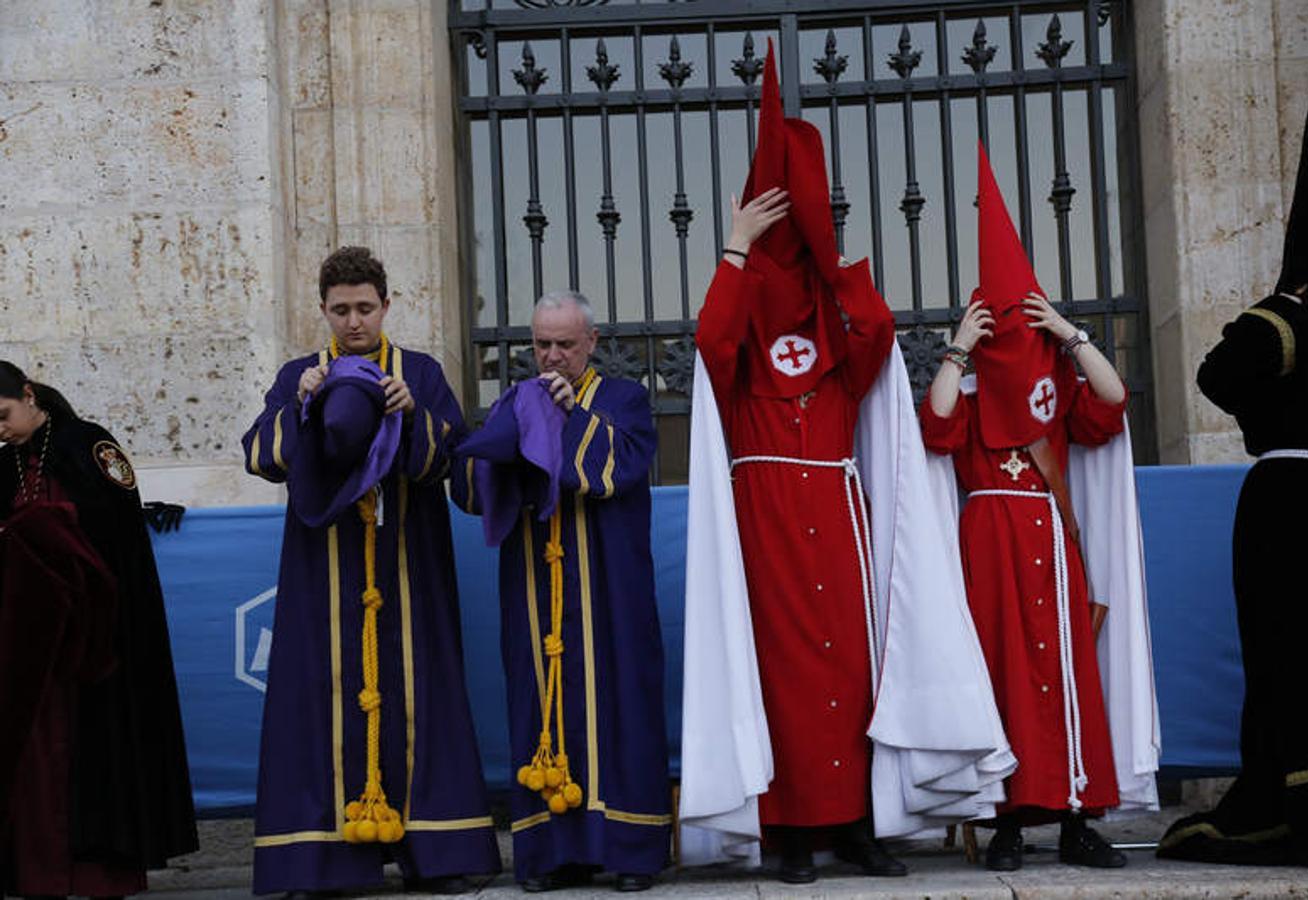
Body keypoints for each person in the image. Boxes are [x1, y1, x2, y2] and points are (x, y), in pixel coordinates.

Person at [680, 40, 1014, 884]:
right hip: (763, 513)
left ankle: (863, 824)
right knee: (783, 670)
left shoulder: (833, 336)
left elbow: (874, 335)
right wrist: (732, 248)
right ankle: (791, 832)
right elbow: (712, 345)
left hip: (837, 510)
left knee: (855, 665)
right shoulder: (746, 333)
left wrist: (829, 259)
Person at [920, 144, 1157, 872]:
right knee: (1001, 678)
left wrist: (1070, 333)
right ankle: (1008, 825)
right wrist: (958, 351)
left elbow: (1112, 402)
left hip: (1050, 539)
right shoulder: (964, 387)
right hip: (987, 541)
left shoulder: (1057, 381)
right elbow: (934, 428)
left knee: (1066, 676)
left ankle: (1079, 817)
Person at [242, 246, 500, 897]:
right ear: (322, 310)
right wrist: (296, 407)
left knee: (422, 699)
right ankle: (319, 862)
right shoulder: (299, 372)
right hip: (323, 573)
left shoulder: (420, 371)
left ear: (387, 305)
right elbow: (258, 454)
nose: (353, 321)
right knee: (319, 704)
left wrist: (412, 412)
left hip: (407, 569)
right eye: (340, 310)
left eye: (364, 308)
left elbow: (450, 455)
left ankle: (437, 855)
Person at [1158, 52, 1308, 874]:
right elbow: (1215, 374)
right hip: (1287, 505)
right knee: (1301, 662)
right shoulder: (1276, 321)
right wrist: (1291, 318)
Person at [454, 290, 671, 893]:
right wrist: (514, 435)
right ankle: (552, 856)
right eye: (542, 344)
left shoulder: (625, 399)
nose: (552, 358)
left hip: (611, 594)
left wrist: (567, 417)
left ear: (592, 343)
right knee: (540, 709)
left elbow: (620, 468)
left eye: (565, 345)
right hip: (533, 593)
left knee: (621, 708)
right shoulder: (514, 401)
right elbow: (470, 485)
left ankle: (631, 852)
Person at [0, 361, 198, 898]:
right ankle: (36, 873)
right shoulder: (6, 464)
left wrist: (50, 528)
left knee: (98, 757)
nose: (1, 429)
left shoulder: (88, 445)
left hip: (96, 638)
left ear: (26, 394)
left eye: (3, 415)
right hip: (33, 645)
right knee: (37, 762)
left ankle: (98, 873)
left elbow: (117, 527)